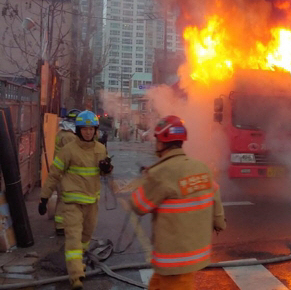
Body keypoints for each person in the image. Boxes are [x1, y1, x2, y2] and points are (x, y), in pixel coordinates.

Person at [130, 115, 226, 290]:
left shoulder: (160, 173)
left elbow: (139, 206)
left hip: (173, 259)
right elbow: (215, 196)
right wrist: (219, 223)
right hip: (196, 252)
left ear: (161, 142)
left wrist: (145, 181)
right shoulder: (201, 167)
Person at [38, 110, 113, 290]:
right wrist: (44, 197)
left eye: (91, 129)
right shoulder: (68, 150)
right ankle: (76, 276)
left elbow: (104, 172)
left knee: (86, 236)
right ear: (78, 130)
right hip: (71, 203)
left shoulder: (100, 149)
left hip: (91, 202)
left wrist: (107, 168)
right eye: (84, 129)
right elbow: (54, 175)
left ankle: (78, 262)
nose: (88, 132)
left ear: (95, 130)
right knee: (73, 237)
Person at [53, 109, 80, 235]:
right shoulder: (69, 136)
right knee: (65, 199)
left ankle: (60, 224)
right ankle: (61, 226)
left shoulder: (61, 133)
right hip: (65, 172)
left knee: (61, 198)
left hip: (60, 170)